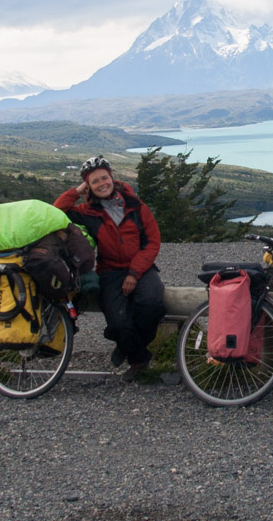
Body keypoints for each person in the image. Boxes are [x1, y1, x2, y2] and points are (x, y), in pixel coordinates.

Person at [54, 155, 166, 381]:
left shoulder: (135, 205)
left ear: (112, 178)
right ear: (89, 186)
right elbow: (56, 212)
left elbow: (153, 241)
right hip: (109, 271)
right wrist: (77, 190)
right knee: (117, 323)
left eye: (104, 178)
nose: (101, 184)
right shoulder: (86, 211)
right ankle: (139, 356)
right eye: (94, 182)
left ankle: (127, 349)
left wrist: (134, 273)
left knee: (152, 304)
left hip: (142, 269)